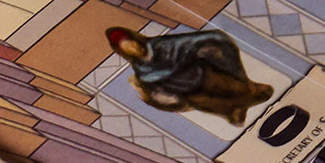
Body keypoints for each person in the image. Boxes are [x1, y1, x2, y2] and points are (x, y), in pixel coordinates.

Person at [106, 27, 274, 125]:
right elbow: (157, 90)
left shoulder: (162, 45)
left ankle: (252, 94)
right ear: (125, 53)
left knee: (235, 88)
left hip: (205, 75)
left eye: (132, 44)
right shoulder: (142, 71)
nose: (133, 49)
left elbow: (197, 42)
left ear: (137, 41)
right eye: (128, 49)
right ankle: (235, 110)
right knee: (211, 103)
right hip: (190, 92)